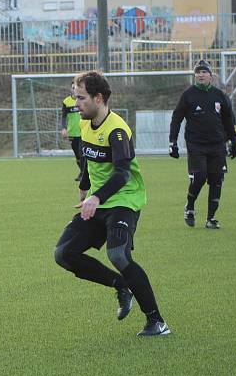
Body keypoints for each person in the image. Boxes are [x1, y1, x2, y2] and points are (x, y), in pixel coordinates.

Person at [54, 71, 170, 336]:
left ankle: (157, 321)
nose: (76, 104)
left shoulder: (117, 130)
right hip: (98, 202)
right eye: (74, 97)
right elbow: (87, 160)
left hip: (124, 200)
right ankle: (120, 285)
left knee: (118, 254)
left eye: (81, 98)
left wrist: (96, 196)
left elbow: (122, 174)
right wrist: (84, 187)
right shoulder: (84, 123)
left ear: (98, 97)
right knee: (63, 254)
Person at [169, 60, 236, 229]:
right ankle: (190, 206)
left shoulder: (219, 95)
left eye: (204, 72)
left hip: (217, 145)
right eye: (198, 72)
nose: (200, 74)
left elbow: (229, 120)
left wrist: (234, 141)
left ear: (210, 75)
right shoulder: (188, 95)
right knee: (199, 177)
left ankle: (211, 219)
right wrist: (173, 142)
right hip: (196, 144)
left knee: (216, 180)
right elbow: (176, 118)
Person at [61, 81, 83, 181]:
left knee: (82, 153)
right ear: (71, 89)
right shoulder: (66, 101)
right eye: (73, 88)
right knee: (77, 155)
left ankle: (84, 174)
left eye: (76, 87)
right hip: (72, 132)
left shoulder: (82, 100)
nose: (74, 89)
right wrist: (64, 128)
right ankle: (82, 172)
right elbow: (64, 116)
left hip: (83, 131)